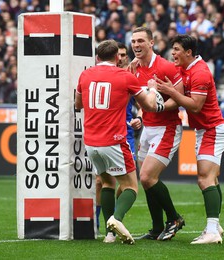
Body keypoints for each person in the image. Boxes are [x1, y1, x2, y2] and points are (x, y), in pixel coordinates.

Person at [75, 39, 159, 244]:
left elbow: (77, 104)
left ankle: (109, 235)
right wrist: (153, 89)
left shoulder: (85, 74)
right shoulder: (125, 76)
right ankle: (116, 219)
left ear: (97, 57)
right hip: (114, 140)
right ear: (116, 57)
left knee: (106, 183)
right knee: (131, 187)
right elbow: (148, 105)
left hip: (92, 142)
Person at [156, 34, 224, 244]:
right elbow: (163, 69)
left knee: (204, 178)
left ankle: (213, 231)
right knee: (212, 179)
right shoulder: (184, 69)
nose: (173, 53)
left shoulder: (201, 72)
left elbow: (195, 106)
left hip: (212, 129)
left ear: (189, 52)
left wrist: (170, 91)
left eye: (177, 49)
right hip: (203, 130)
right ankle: (215, 226)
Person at [130, 27, 185, 241]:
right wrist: (142, 117)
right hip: (148, 128)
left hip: (167, 128)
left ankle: (174, 218)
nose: (136, 45)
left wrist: (160, 109)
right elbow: (137, 97)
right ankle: (156, 228)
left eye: (141, 41)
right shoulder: (134, 68)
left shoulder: (166, 67)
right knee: (146, 180)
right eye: (134, 41)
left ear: (151, 43)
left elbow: (179, 96)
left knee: (146, 176)